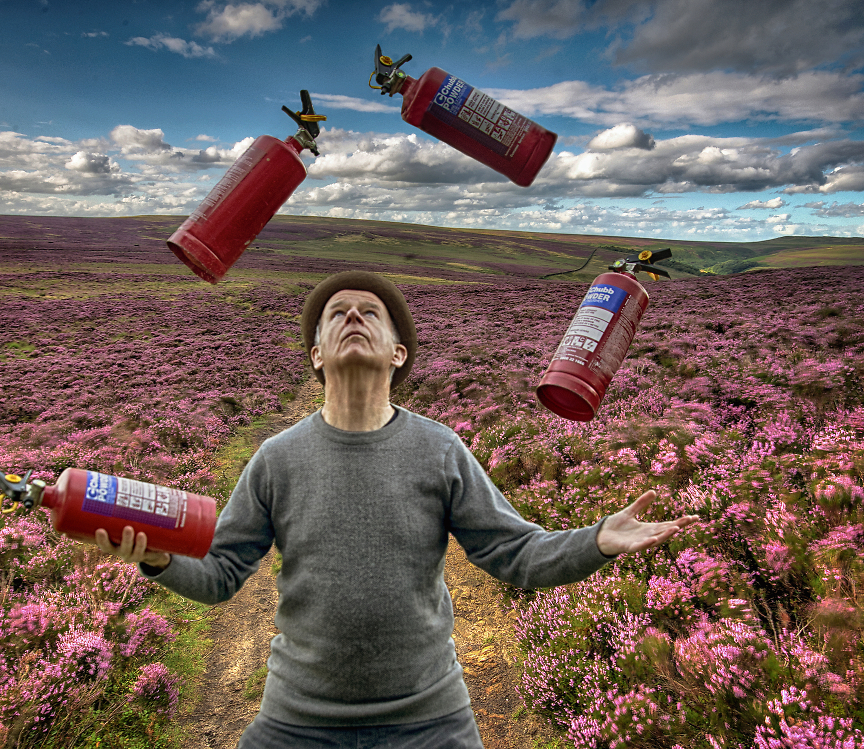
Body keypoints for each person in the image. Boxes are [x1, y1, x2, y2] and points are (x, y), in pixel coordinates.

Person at [97, 270, 699, 748]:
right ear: (314, 355)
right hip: (297, 720)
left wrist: (596, 539)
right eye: (337, 313)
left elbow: (514, 552)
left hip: (430, 720)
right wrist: (157, 560)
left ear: (398, 354)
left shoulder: (440, 450)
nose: (353, 317)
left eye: (369, 314)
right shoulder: (276, 459)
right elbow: (223, 573)